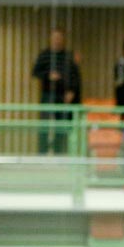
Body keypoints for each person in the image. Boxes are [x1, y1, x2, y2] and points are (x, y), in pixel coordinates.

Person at [31, 27, 81, 155]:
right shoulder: (44, 55)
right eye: (55, 38)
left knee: (61, 126)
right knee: (44, 125)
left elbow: (76, 76)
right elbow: (35, 72)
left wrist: (72, 91)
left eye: (59, 38)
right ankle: (42, 154)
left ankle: (59, 153)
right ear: (50, 39)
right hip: (48, 94)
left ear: (63, 40)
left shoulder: (68, 56)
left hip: (62, 95)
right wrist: (48, 75)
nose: (57, 40)